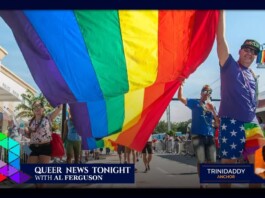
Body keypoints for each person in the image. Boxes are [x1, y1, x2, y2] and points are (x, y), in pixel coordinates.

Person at [217, 10, 265, 188]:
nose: (250, 53)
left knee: (260, 167)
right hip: (231, 122)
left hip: (252, 124)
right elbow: (220, 38)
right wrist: (221, 11)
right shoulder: (229, 65)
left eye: (254, 52)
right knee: (228, 168)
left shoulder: (252, 74)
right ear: (240, 51)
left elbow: (252, 105)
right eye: (247, 49)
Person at [178, 83, 219, 188]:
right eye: (205, 91)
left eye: (209, 92)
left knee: (212, 161)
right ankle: (202, 182)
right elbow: (180, 98)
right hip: (197, 135)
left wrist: (213, 111)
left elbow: (218, 123)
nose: (207, 93)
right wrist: (181, 85)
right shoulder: (194, 103)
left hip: (209, 135)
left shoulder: (212, 106)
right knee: (201, 160)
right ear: (201, 93)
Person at [26, 100, 62, 188]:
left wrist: (60, 99)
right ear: (33, 109)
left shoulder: (48, 118)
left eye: (40, 106)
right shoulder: (29, 121)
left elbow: (59, 108)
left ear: (43, 109)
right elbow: (27, 135)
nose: (37, 108)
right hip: (32, 147)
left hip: (45, 147)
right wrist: (23, 131)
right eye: (35, 106)